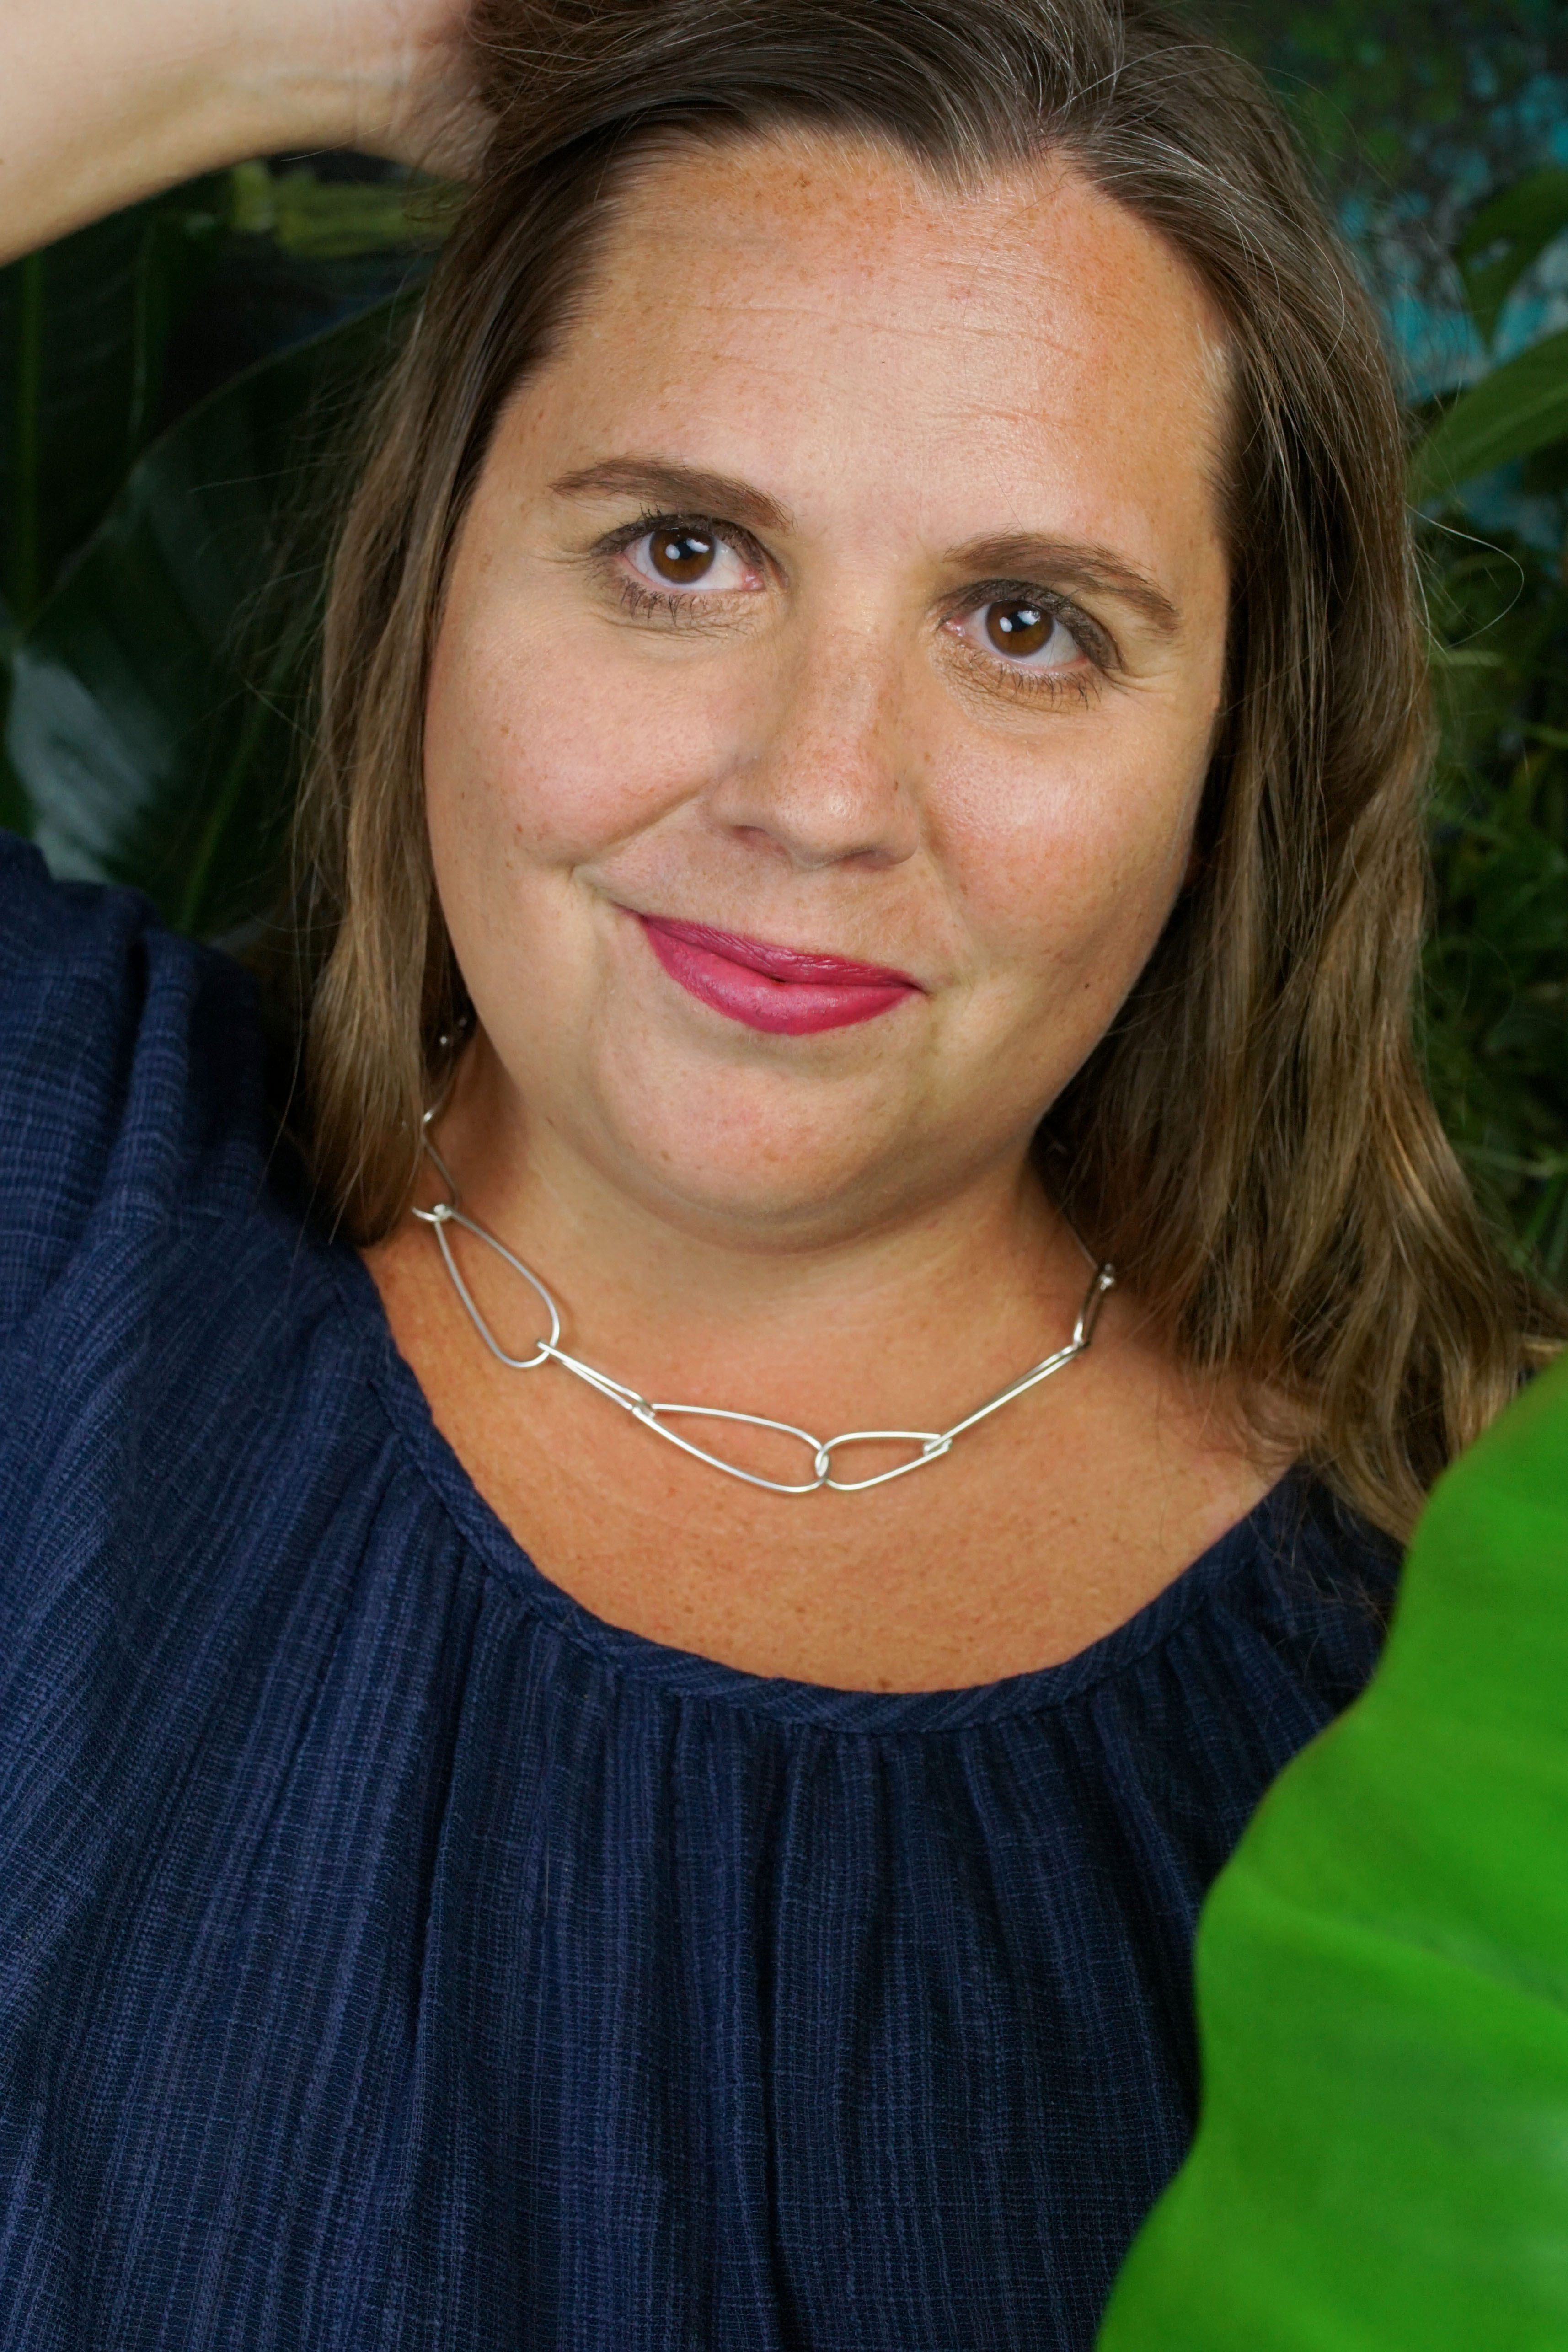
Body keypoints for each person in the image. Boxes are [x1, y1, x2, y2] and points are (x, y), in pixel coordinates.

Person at [0, 0, 1557, 2344]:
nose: (820, 790)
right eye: (683, 549)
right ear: (434, 572)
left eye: (1027, 625)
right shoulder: (57, 1188)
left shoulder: (1480, 1638)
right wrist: (348, 41)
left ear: (1246, 743)